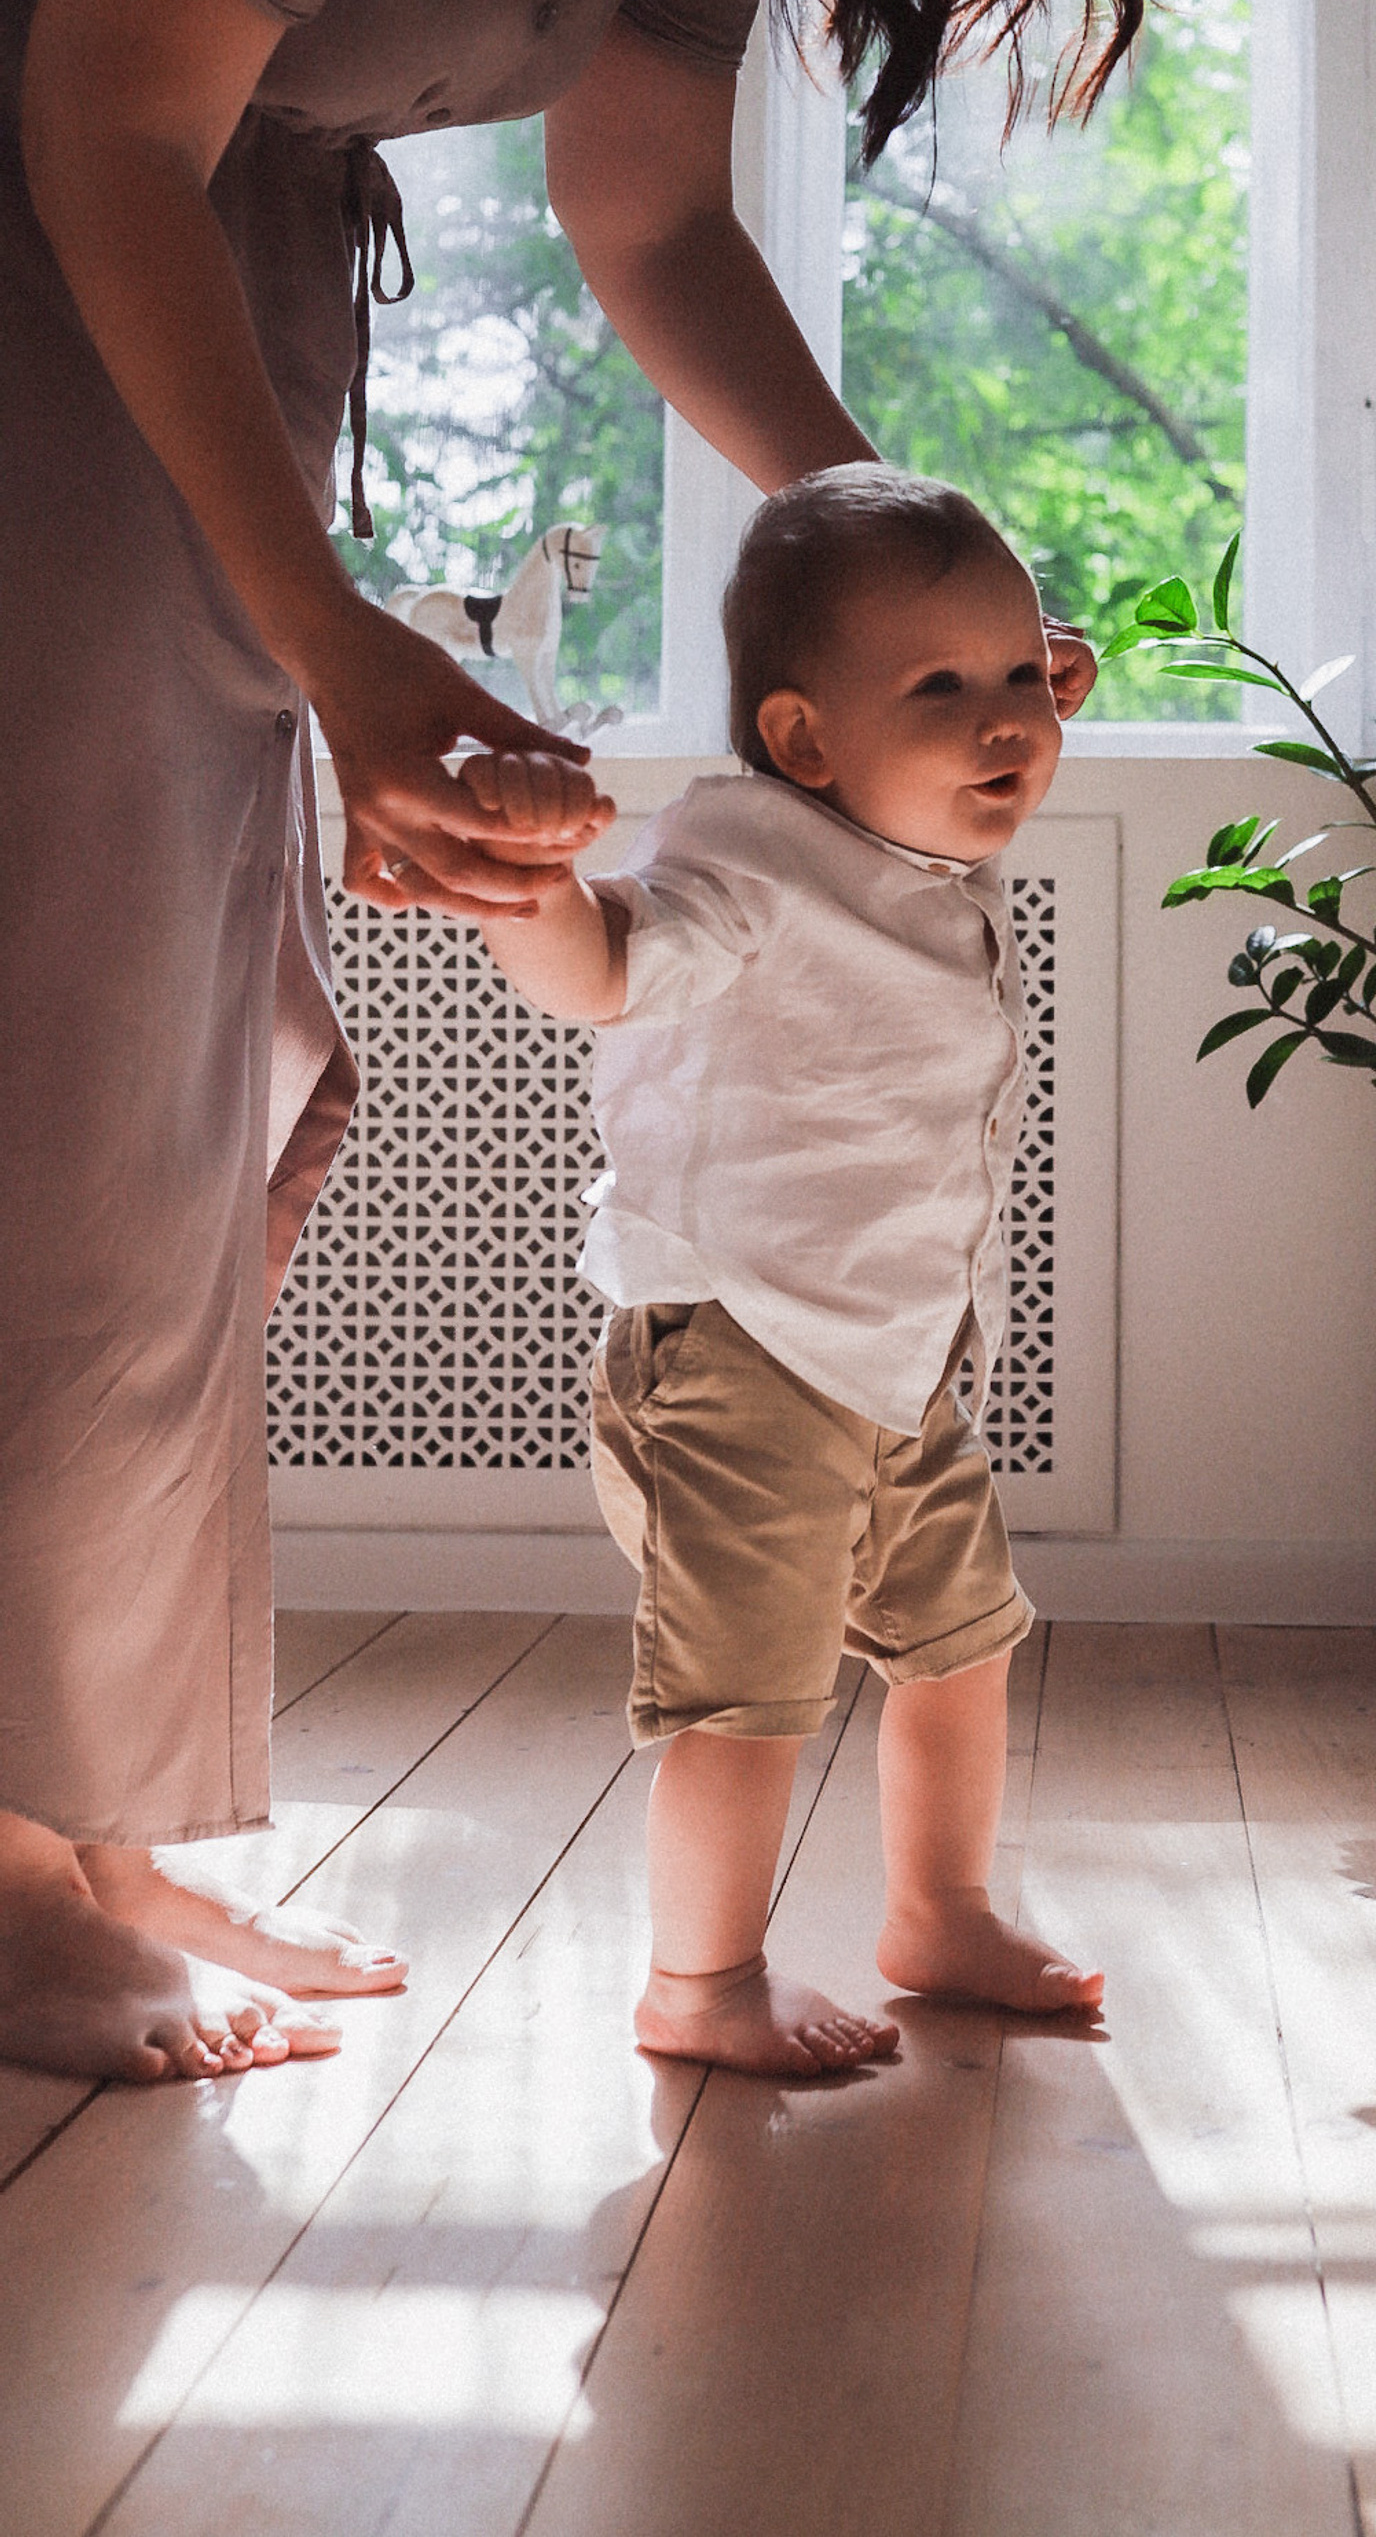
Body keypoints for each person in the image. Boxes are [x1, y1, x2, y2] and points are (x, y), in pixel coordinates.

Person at [0, 0, 1238, 2084]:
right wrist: (341, 646)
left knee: (186, 1107)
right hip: (74, 197)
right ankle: (19, 1875)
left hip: (201, 249)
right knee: (54, 1091)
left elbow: (645, 204)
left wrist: (930, 618)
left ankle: (84, 1815)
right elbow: (108, 108)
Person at [461, 465, 1103, 2074]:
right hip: (743, 1355)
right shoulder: (748, 853)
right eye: (946, 688)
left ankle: (937, 1913)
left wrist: (998, 690)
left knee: (964, 1645)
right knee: (750, 1695)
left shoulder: (915, 839)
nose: (1010, 720)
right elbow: (606, 971)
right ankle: (697, 1988)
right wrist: (533, 885)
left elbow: (980, 706)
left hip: (896, 1359)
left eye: (1026, 675)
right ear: (806, 741)